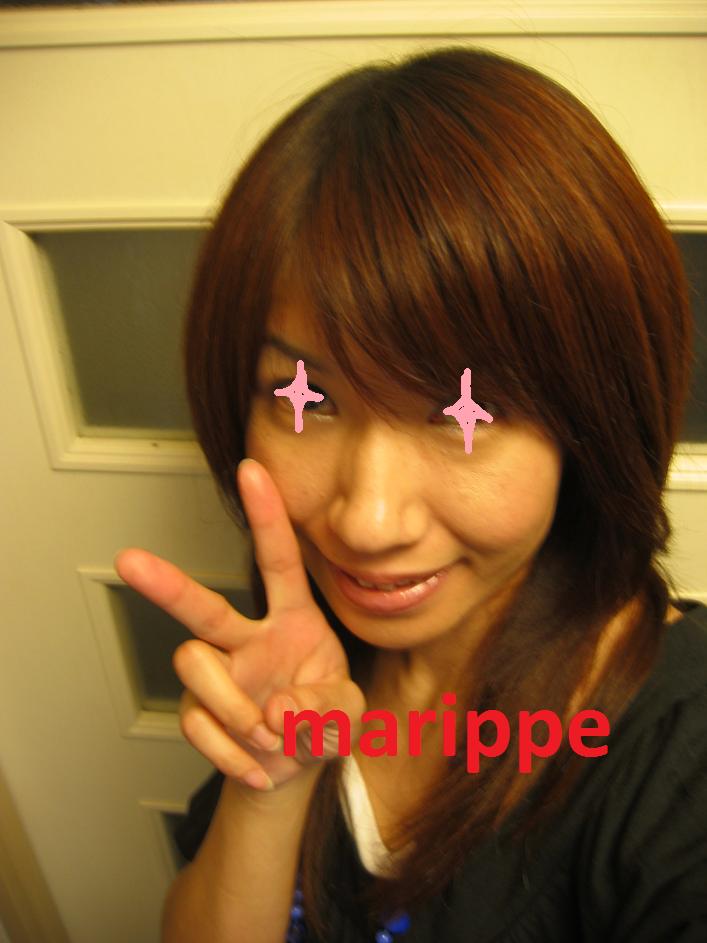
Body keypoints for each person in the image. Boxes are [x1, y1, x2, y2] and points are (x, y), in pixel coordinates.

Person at [114, 45, 707, 943]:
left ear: (591, 417)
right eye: (306, 400)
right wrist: (267, 781)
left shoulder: (679, 766)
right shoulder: (309, 643)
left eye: (466, 414)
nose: (366, 521)